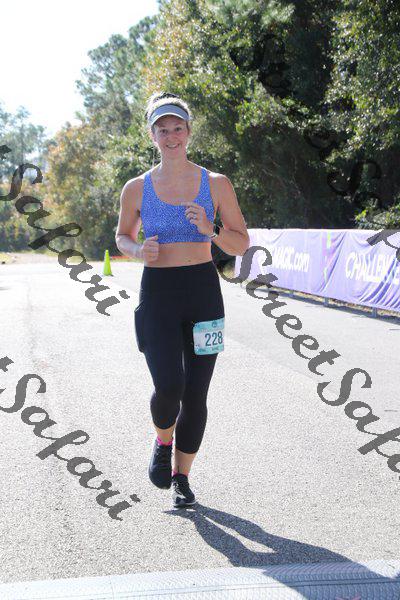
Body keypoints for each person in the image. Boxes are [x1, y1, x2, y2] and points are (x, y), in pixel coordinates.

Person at [115, 91, 250, 508]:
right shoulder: (136, 188)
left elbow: (241, 243)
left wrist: (211, 229)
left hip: (203, 294)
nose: (171, 136)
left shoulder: (216, 184)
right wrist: (138, 251)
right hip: (158, 294)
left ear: (189, 132)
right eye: (163, 130)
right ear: (152, 135)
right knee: (168, 385)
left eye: (177, 128)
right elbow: (122, 237)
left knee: (195, 394)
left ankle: (181, 478)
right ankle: (162, 441)